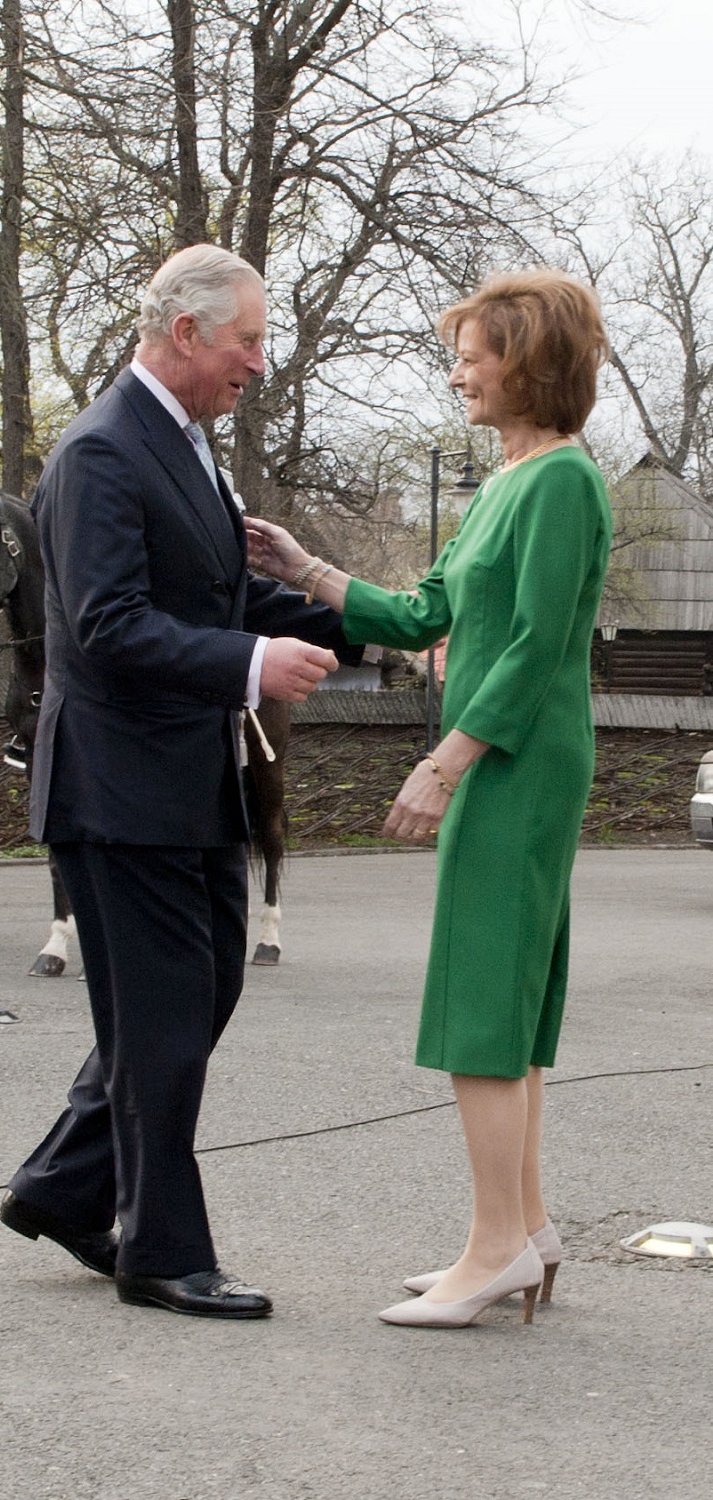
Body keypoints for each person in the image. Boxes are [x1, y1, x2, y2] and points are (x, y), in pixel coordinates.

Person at [0, 244, 361, 1319]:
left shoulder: (186, 445)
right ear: (188, 333)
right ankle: (159, 1250)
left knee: (202, 993)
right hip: (117, 790)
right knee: (160, 1019)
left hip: (185, 784)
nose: (259, 361)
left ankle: (63, 1186)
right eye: (249, 340)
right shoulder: (103, 451)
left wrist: (376, 620)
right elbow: (107, 628)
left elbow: (220, 599)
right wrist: (248, 667)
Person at [245, 269, 612, 1330]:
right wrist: (309, 569)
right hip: (509, 753)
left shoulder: (563, 483)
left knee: (481, 1004)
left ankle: (494, 1248)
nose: (457, 370)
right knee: (506, 1003)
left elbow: (540, 648)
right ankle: (523, 1231)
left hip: (519, 758)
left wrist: (443, 761)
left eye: (473, 353)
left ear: (529, 360)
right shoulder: (505, 482)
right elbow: (426, 613)